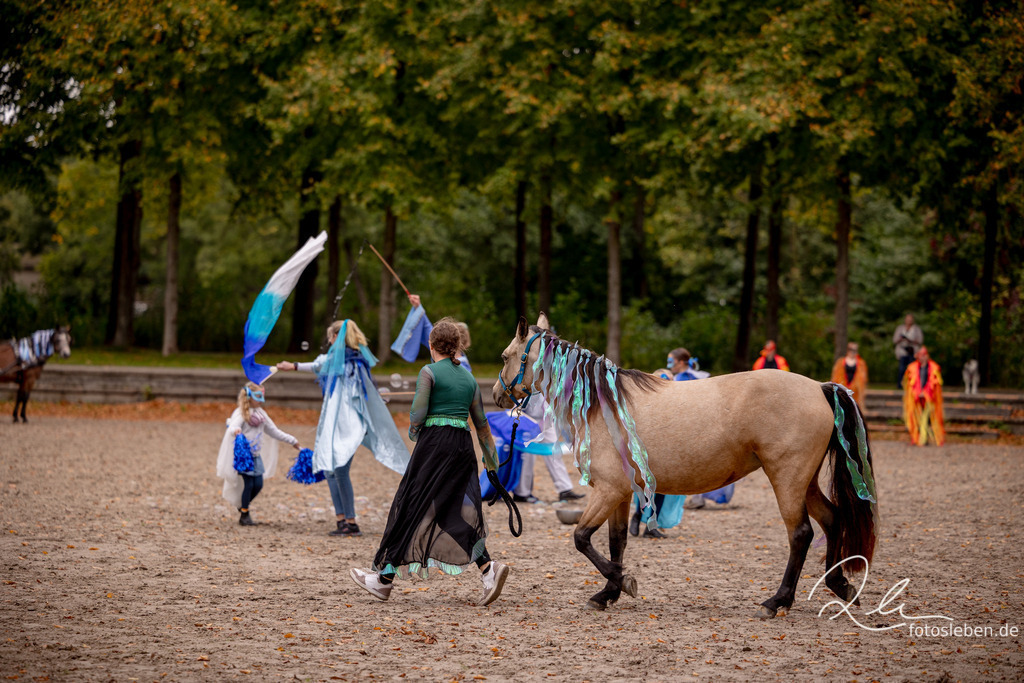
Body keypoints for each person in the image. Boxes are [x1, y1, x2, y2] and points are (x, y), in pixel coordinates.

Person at [350, 318, 510, 606]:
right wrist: (492, 463)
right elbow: (482, 426)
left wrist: (414, 432)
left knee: (409, 505)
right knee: (449, 513)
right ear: (458, 346)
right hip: (463, 447)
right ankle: (489, 569)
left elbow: (417, 414)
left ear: (431, 345)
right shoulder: (470, 379)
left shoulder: (429, 372)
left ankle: (383, 580)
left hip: (435, 445)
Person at [276, 319, 409, 537]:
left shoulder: (355, 362)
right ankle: (341, 519)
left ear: (338, 337)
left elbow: (359, 392)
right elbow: (320, 364)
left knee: (340, 470)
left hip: (350, 426)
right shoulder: (337, 361)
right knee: (330, 471)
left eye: (331, 337)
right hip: (335, 424)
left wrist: (293, 366)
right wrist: (293, 366)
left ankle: (351, 522)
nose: (329, 341)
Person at [216, 382, 300, 526]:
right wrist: (236, 431)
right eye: (258, 396)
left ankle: (243, 505)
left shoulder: (262, 415)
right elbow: (233, 426)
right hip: (244, 456)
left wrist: (292, 440)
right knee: (249, 484)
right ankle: (244, 514)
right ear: (250, 397)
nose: (261, 400)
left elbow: (273, 430)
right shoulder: (243, 414)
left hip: (256, 455)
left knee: (258, 484)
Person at [511, 396, 586, 504]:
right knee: (527, 458)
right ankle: (522, 493)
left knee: (554, 454)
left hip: (546, 419)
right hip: (527, 421)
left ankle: (565, 490)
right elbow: (516, 404)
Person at [902, 346, 945, 446]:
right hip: (916, 397)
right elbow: (910, 383)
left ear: (927, 356)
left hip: (929, 397)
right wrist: (917, 392)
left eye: (923, 355)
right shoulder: (912, 367)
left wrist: (925, 392)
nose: (921, 358)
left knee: (925, 418)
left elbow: (934, 382)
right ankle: (916, 438)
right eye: (919, 356)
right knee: (915, 417)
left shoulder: (933, 367)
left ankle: (923, 439)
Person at [830, 341, 869, 412]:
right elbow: (835, 376)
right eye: (851, 349)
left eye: (855, 350)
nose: (852, 352)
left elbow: (863, 378)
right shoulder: (840, 362)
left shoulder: (861, 363)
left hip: (855, 390)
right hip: (843, 388)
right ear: (848, 350)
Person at [892, 314, 924, 389]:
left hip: (912, 351)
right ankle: (900, 384)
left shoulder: (916, 329)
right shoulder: (900, 328)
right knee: (902, 368)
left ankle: (912, 384)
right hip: (903, 351)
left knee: (912, 369)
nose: (909, 321)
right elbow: (895, 340)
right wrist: (902, 339)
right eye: (907, 319)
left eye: (910, 319)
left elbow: (920, 340)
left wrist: (910, 340)